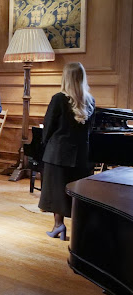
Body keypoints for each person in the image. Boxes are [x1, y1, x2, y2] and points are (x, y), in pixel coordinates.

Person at [38, 62, 95, 241]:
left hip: (58, 154)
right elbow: (90, 130)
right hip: (81, 156)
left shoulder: (58, 99)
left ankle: (58, 225)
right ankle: (77, 229)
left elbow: (47, 127)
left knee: (56, 192)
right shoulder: (90, 100)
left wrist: (44, 144)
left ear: (66, 77)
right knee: (77, 193)